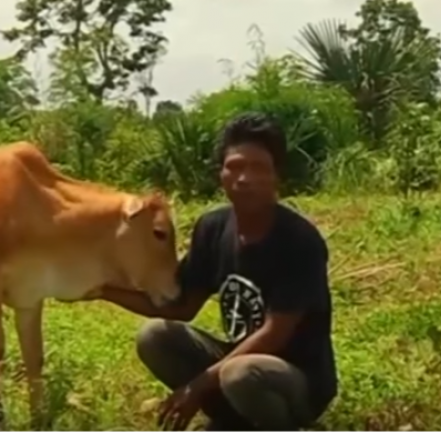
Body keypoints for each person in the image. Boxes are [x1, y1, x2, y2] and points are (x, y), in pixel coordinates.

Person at [93, 112, 337, 431]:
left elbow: (275, 334)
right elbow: (181, 306)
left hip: (296, 380)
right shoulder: (213, 227)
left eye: (258, 167)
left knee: (240, 374)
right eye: (234, 166)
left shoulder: (298, 240)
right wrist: (101, 290)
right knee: (154, 336)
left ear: (277, 175)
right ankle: (232, 420)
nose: (244, 178)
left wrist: (197, 386)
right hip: (239, 366)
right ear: (220, 173)